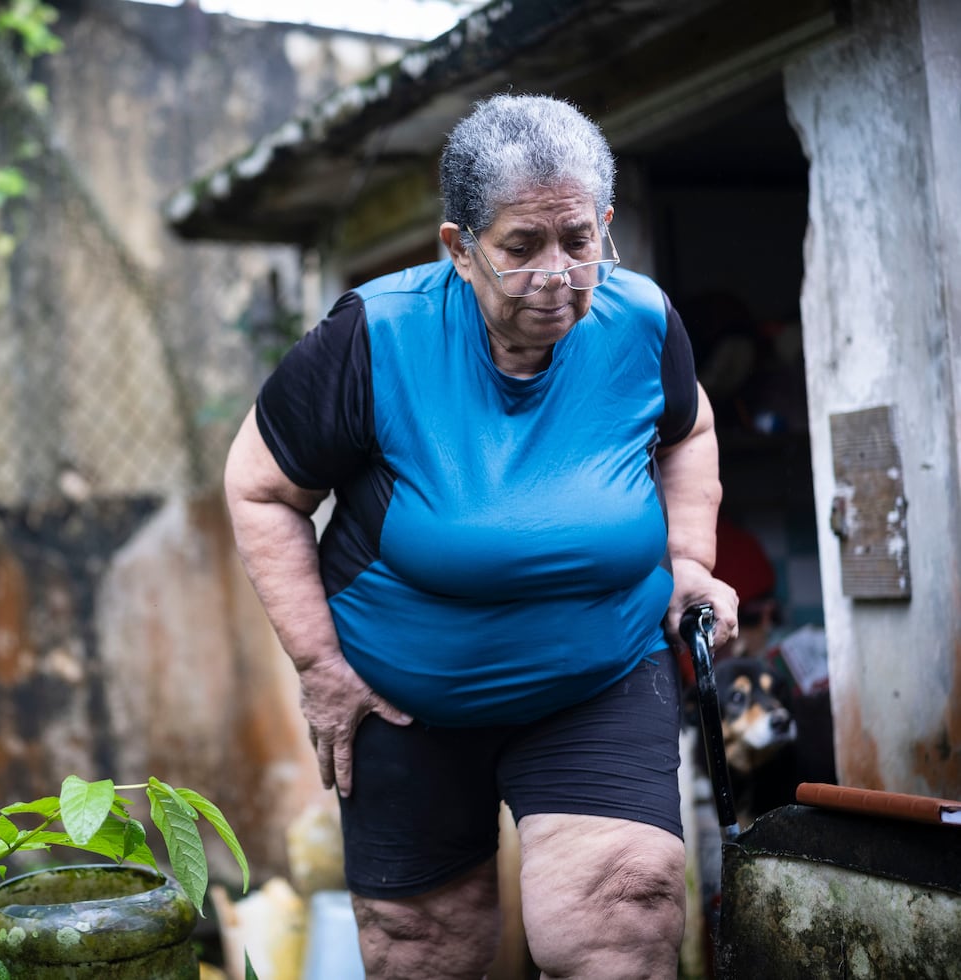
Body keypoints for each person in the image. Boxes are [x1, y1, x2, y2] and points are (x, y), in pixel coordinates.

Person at [224, 93, 739, 980]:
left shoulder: (642, 322)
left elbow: (688, 431)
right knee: (424, 946)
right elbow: (260, 489)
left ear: (605, 226)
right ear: (459, 248)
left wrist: (690, 560)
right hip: (402, 696)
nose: (556, 275)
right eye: (520, 248)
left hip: (600, 673)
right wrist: (319, 669)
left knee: (625, 908)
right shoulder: (375, 340)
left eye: (578, 241)